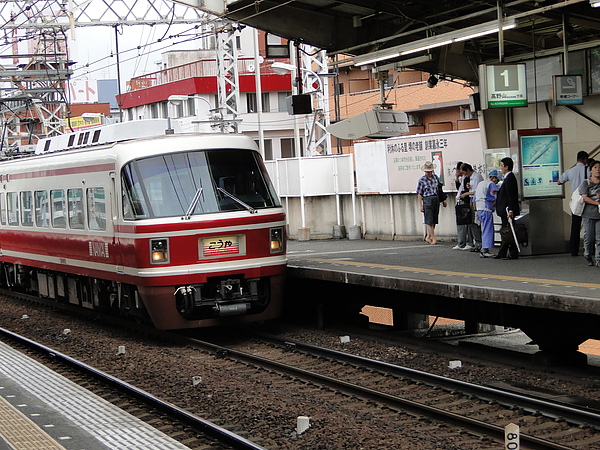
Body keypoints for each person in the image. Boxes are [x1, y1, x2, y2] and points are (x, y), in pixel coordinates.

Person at [558, 150, 588, 256]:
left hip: (575, 203)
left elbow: (559, 181)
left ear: (577, 159)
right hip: (587, 201)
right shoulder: (588, 170)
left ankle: (573, 249)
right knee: (589, 225)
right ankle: (590, 249)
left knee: (575, 225)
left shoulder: (570, 171)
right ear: (585, 160)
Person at [495, 157, 521, 260]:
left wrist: (511, 210)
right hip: (505, 209)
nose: (501, 168)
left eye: (502, 165)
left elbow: (511, 195)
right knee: (507, 230)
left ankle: (512, 252)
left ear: (506, 167)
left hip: (507, 210)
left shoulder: (510, 178)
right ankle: (503, 252)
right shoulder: (507, 178)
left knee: (508, 231)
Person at [417, 161, 447, 245]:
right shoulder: (422, 180)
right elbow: (419, 193)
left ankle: (429, 236)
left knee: (434, 219)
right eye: (427, 171)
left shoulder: (436, 178)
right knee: (429, 220)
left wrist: (443, 200)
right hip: (427, 199)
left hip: (436, 198)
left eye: (430, 171)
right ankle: (433, 238)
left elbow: (439, 190)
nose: (429, 173)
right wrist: (420, 205)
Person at [579, 160, 600, 266]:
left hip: (599, 214)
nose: (598, 170)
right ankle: (587, 255)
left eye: (599, 167)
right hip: (588, 214)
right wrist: (597, 202)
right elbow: (585, 198)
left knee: (599, 238)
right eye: (595, 167)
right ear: (591, 170)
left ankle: (598, 259)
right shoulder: (586, 182)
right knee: (589, 237)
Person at [458, 163, 483, 252]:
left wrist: (466, 193)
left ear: (468, 170)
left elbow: (477, 191)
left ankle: (479, 243)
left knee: (475, 223)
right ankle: (476, 243)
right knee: (471, 222)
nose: (464, 175)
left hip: (476, 201)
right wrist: (469, 188)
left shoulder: (477, 177)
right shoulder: (470, 178)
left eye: (464, 172)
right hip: (471, 200)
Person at [475, 170, 501, 258]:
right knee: (488, 229)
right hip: (486, 208)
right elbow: (494, 196)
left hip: (479, 208)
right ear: (493, 178)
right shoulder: (490, 184)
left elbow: (474, 198)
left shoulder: (480, 184)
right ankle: (485, 249)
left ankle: (484, 248)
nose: (497, 182)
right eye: (497, 180)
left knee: (484, 228)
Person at [453, 163, 474, 250]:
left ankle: (469, 242)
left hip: (467, 201)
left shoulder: (471, 177)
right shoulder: (464, 178)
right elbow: (460, 188)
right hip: (461, 200)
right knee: (461, 222)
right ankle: (461, 242)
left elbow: (470, 189)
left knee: (468, 222)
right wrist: (457, 179)